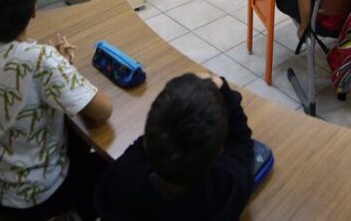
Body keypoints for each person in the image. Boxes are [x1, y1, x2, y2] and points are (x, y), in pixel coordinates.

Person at [0, 0, 113, 220]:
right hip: (37, 194)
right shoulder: (40, 60)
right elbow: (103, 110)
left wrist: (55, 66)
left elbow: (15, 61)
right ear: (33, 10)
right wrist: (62, 67)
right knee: (109, 168)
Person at [95, 72, 254, 220]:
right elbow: (241, 145)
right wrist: (223, 89)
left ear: (147, 142)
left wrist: (171, 113)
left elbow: (140, 148)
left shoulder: (122, 179)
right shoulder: (226, 189)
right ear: (220, 151)